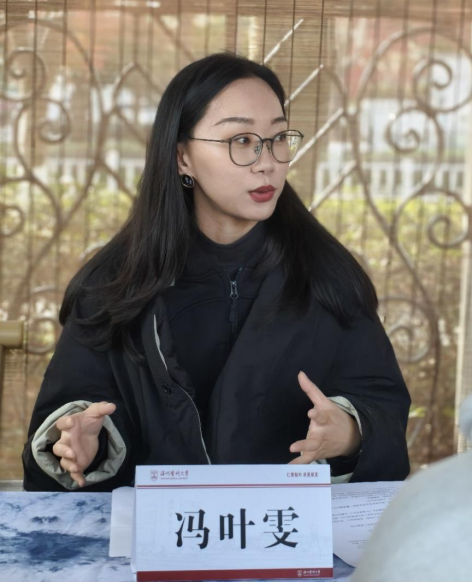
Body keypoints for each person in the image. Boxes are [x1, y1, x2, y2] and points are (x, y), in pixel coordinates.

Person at [22, 52, 411, 492]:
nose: (267, 162)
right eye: (241, 140)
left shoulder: (328, 278)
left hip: (282, 527)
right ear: (182, 157)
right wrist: (82, 444)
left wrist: (350, 433)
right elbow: (71, 419)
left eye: (278, 137)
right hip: (155, 528)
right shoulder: (113, 286)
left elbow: (383, 406)